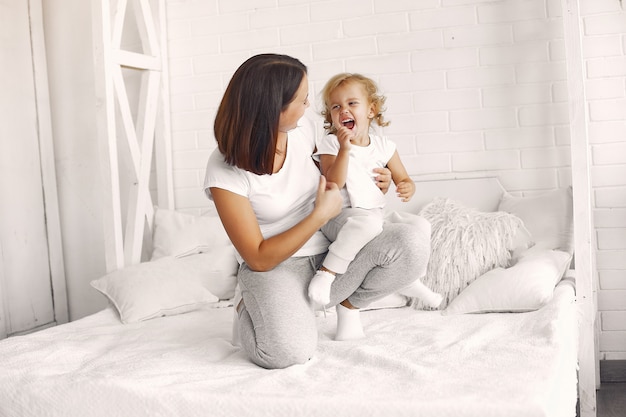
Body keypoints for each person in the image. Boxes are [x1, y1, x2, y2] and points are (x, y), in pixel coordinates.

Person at [204, 54, 431, 369]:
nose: (309, 106)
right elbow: (257, 256)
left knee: (412, 243)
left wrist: (381, 178)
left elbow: (339, 170)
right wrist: (318, 216)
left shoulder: (304, 129)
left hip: (333, 253)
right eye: (301, 100)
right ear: (273, 109)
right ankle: (248, 305)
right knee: (287, 352)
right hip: (277, 266)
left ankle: (338, 303)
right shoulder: (223, 169)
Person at [308, 73, 443, 312]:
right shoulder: (330, 143)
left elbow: (404, 178)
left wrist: (406, 186)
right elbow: (333, 183)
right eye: (336, 106)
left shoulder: (384, 146)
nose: (343, 110)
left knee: (421, 225)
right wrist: (344, 149)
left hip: (375, 215)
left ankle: (410, 279)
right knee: (367, 224)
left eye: (352, 103)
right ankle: (327, 273)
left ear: (371, 110)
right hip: (340, 217)